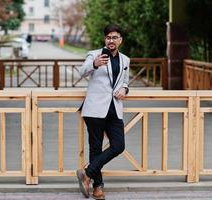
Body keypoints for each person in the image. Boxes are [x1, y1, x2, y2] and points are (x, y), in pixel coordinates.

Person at [76, 24, 130, 200]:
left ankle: (87, 173)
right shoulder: (94, 54)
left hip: (114, 109)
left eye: (115, 37)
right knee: (96, 148)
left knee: (118, 145)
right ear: (105, 39)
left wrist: (125, 89)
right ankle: (98, 187)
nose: (111, 40)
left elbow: (125, 81)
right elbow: (81, 72)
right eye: (108, 37)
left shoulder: (125, 60)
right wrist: (94, 64)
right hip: (95, 108)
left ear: (120, 40)